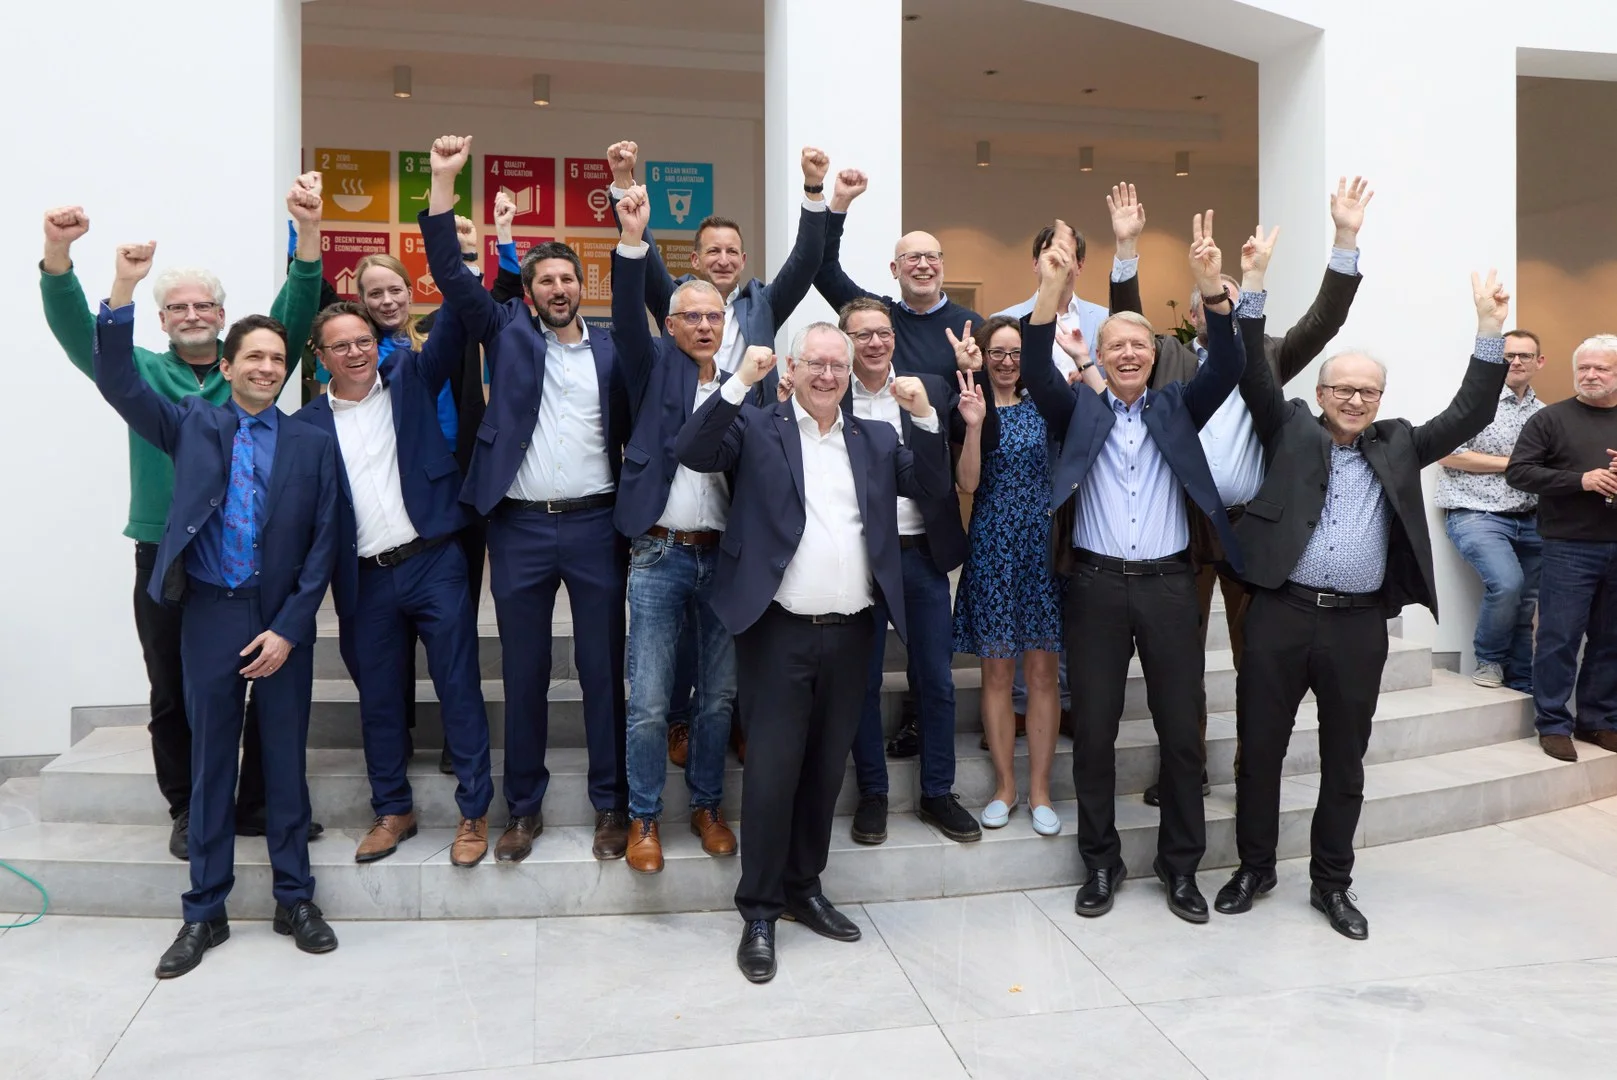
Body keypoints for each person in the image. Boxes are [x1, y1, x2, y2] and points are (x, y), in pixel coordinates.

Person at [1220, 254, 1510, 941]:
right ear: (1320, 392)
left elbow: (1470, 411)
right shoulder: (1289, 426)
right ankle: (1255, 868)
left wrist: (1488, 328)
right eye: (1343, 388)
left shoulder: (1401, 443)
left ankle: (1331, 883)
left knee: (1344, 760)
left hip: (1356, 628)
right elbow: (1254, 371)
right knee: (1259, 750)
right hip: (1281, 613)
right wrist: (1252, 288)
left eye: (1368, 391)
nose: (1355, 399)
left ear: (1380, 399)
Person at [40, 180, 327, 861]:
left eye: (204, 305)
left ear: (224, 318)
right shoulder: (139, 375)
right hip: (168, 559)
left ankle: (257, 804)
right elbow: (84, 336)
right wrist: (59, 255)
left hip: (253, 563)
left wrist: (309, 232)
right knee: (173, 689)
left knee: (267, 687)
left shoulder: (252, 370)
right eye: (177, 307)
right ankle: (189, 806)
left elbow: (294, 308)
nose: (192, 313)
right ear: (162, 319)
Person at [93, 240, 340, 979]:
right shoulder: (189, 422)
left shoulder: (311, 442)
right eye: (252, 357)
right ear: (226, 368)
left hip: (281, 620)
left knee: (284, 762)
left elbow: (324, 544)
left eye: (277, 358)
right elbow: (117, 379)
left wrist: (289, 628)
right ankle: (205, 909)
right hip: (210, 613)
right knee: (209, 767)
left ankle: (295, 898)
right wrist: (123, 287)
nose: (266, 367)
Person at [675, 328, 949, 985]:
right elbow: (693, 449)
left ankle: (804, 887)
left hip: (853, 631)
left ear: (850, 374)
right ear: (792, 370)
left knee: (826, 770)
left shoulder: (875, 437)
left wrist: (925, 418)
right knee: (772, 774)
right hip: (777, 633)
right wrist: (738, 382)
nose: (827, 375)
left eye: (838, 366)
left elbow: (933, 486)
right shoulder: (756, 427)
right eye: (816, 363)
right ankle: (759, 910)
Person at [1110, 178, 1370, 807]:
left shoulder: (1272, 357)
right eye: (1209, 300)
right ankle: (1187, 767)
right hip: (1186, 527)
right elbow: (1127, 322)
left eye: (1230, 295)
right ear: (1194, 313)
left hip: (1255, 530)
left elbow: (1326, 318)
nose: (1220, 305)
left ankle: (1254, 766)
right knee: (1180, 658)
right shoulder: (1168, 358)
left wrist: (1345, 238)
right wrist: (1126, 249)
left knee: (1260, 656)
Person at [1024, 213, 1246, 925]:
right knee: (1093, 734)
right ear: (1096, 353)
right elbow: (1034, 367)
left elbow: (1229, 366)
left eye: (1138, 345)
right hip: (1092, 588)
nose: (1126, 354)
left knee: (1180, 734)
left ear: (1154, 356)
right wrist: (1049, 290)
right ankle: (1101, 862)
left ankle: (1180, 868)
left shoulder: (1180, 406)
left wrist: (1212, 291)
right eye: (1114, 345)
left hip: (1170, 588)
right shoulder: (1077, 411)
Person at [420, 135, 630, 865]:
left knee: (602, 672)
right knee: (524, 672)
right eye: (544, 280)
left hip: (598, 525)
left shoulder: (613, 348)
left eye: (567, 278)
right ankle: (523, 810)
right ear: (530, 290)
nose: (557, 289)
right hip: (518, 530)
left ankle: (611, 806)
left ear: (581, 285)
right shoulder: (503, 330)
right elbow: (449, 270)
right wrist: (443, 182)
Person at [292, 300, 494, 868]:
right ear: (321, 356)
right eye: (341, 345)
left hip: (433, 562)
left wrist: (452, 248)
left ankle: (474, 812)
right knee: (378, 699)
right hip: (364, 578)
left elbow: (454, 320)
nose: (356, 352)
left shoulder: (410, 382)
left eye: (363, 341)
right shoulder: (305, 426)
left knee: (459, 686)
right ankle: (392, 810)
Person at [610, 184, 739, 873]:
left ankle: (707, 806)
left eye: (713, 316)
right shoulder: (649, 365)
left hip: (723, 560)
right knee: (651, 703)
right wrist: (633, 239)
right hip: (659, 554)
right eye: (691, 316)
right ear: (671, 323)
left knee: (717, 698)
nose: (703, 326)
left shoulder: (742, 384)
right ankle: (644, 818)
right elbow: (627, 313)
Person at [839, 297, 997, 847]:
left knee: (935, 679)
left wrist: (976, 383)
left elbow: (976, 446)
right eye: (862, 335)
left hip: (921, 554)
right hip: (858, 558)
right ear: (845, 342)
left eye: (883, 332)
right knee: (861, 683)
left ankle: (937, 792)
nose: (876, 343)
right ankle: (873, 795)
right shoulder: (832, 395)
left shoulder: (927, 387)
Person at [951, 316, 1068, 836]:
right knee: (997, 674)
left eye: (1016, 352)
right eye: (996, 352)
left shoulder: (1046, 402)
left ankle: (1040, 790)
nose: (1006, 361)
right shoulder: (972, 403)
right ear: (983, 356)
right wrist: (975, 426)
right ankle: (1005, 787)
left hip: (1041, 545)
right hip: (993, 545)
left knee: (1043, 674)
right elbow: (968, 483)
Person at [606, 139, 827, 403]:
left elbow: (806, 261)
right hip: (683, 420)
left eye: (731, 252)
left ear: (743, 261)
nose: (724, 261)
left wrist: (813, 187)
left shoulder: (763, 306)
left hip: (747, 424)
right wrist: (623, 181)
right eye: (713, 251)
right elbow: (645, 253)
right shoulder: (673, 299)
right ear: (695, 260)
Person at [1505, 334, 1617, 762]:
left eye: (1601, 368)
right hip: (1569, 546)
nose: (1590, 375)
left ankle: (1598, 720)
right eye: (1583, 368)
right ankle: (1552, 723)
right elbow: (1519, 473)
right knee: (1559, 638)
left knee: (1610, 640)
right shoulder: (1549, 419)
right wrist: (1580, 480)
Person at [1436, 329, 1546, 691]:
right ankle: (1489, 661)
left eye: (1524, 356)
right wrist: (1514, 464)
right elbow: (1447, 453)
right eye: (1508, 355)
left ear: (1539, 362)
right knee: (1507, 583)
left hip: (1531, 518)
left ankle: (1521, 680)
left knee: (1526, 601)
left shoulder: (1545, 414)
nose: (1516, 362)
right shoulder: (1473, 403)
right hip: (1476, 513)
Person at [814, 168, 980, 379]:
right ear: (895, 269)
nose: (923, 265)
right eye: (913, 257)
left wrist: (974, 370)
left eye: (931, 257)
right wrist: (840, 202)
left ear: (942, 266)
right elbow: (823, 270)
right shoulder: (877, 317)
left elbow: (994, 389)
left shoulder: (971, 326)